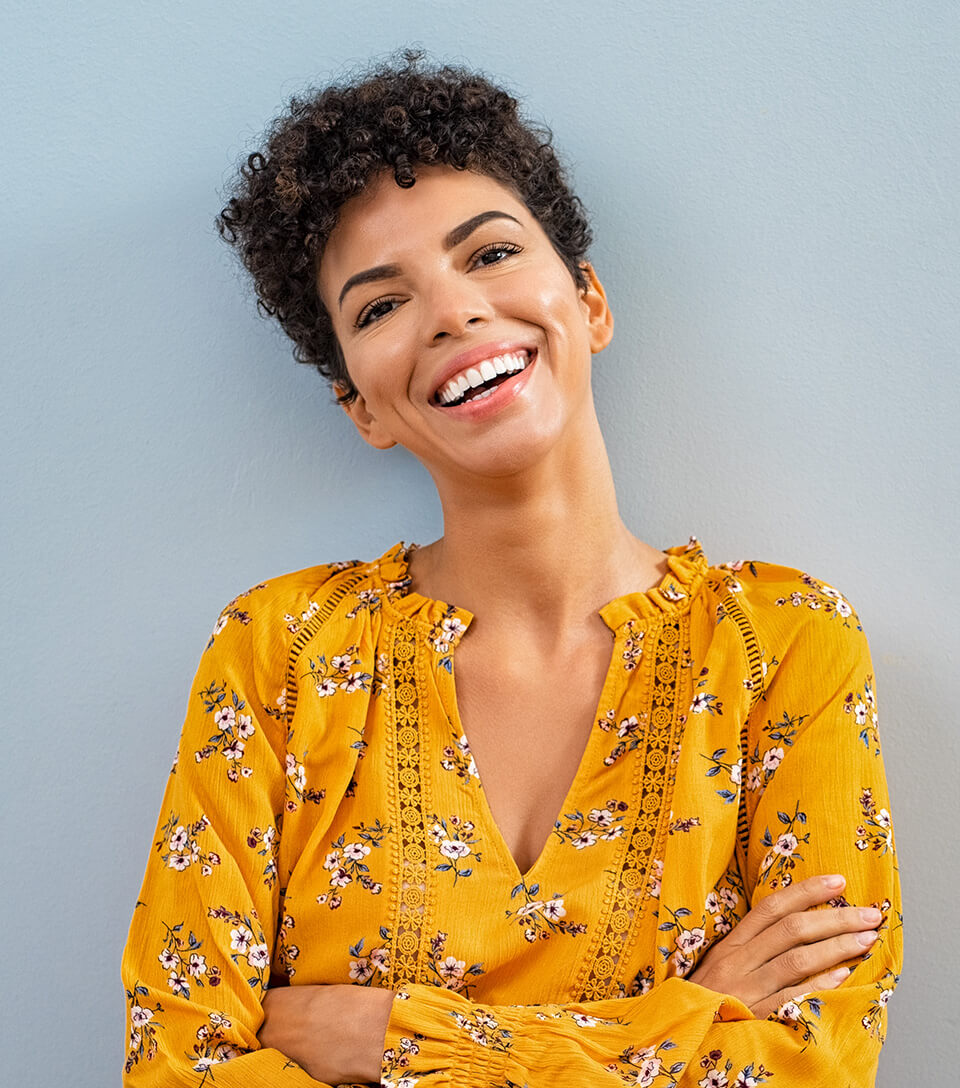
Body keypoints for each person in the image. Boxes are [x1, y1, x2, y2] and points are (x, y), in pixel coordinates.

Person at [121, 54, 902, 1087]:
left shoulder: (785, 644)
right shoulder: (278, 657)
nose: (452, 312)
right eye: (378, 306)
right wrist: (682, 1026)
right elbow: (177, 1068)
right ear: (361, 406)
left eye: (487, 252)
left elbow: (816, 1065)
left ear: (588, 302)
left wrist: (385, 1038)